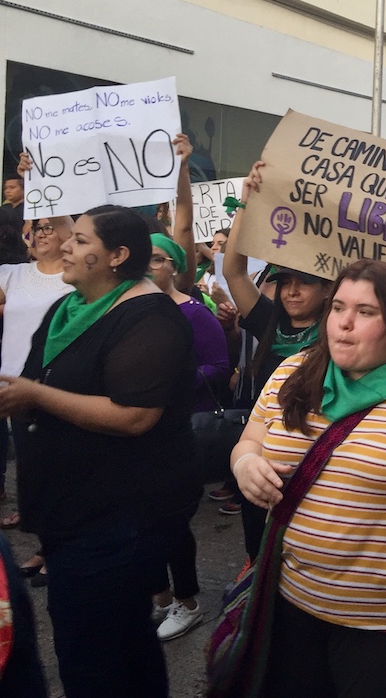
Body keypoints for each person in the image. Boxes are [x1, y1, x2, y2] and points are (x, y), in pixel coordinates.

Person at [230, 259, 386, 696]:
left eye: (366, 312)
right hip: (293, 603)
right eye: (339, 308)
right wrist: (244, 465)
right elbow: (248, 441)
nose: (344, 324)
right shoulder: (292, 373)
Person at [0, 205, 198, 697]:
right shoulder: (67, 307)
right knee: (126, 642)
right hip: (70, 511)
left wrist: (36, 398)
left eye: (81, 240)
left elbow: (134, 416)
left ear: (118, 256)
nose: (64, 246)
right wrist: (21, 398)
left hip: (118, 519)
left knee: (91, 654)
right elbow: (35, 379)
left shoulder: (151, 317)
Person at [224, 163, 332, 558]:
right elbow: (233, 271)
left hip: (318, 455)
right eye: (285, 282)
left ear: (327, 290)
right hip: (265, 453)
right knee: (260, 547)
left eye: (304, 282)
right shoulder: (268, 322)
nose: (292, 291)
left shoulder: (338, 332)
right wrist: (245, 204)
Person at [146, 232, 230, 641]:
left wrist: (176, 383)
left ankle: (189, 601)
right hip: (138, 431)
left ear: (175, 266)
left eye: (158, 258)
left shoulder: (196, 314)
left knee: (170, 521)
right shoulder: (131, 311)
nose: (149, 265)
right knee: (140, 517)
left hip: (182, 429)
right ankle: (159, 596)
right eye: (144, 257)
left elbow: (219, 365)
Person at [0, 216, 75, 547]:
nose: (42, 233)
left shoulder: (76, 279)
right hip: (14, 387)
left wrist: (48, 181)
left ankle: (53, 549)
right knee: (29, 472)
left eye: (50, 227)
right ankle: (45, 544)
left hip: (60, 390)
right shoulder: (11, 274)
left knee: (58, 471)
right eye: (37, 228)